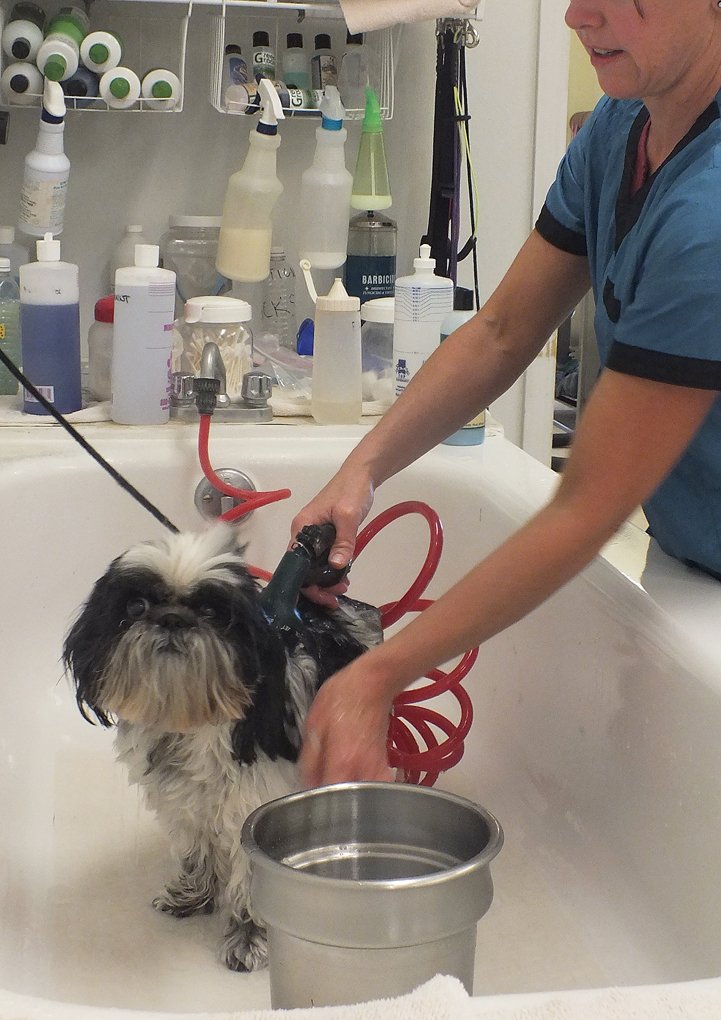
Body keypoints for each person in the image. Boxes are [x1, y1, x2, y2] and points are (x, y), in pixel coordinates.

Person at [292, 0, 721, 787]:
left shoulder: (709, 218)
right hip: (689, 551)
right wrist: (360, 472)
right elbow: (500, 331)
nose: (576, 16)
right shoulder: (620, 126)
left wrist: (375, 678)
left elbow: (587, 506)